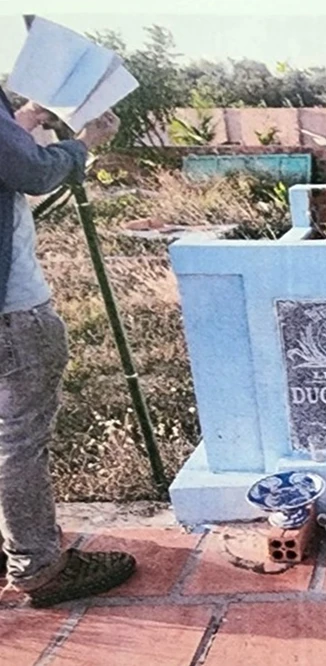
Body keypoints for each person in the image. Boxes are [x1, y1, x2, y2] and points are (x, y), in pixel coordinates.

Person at [0, 87, 137, 607]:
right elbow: (31, 172)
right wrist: (84, 143)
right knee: (18, 442)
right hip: (12, 309)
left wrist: (25, 117)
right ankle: (37, 565)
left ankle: (17, 544)